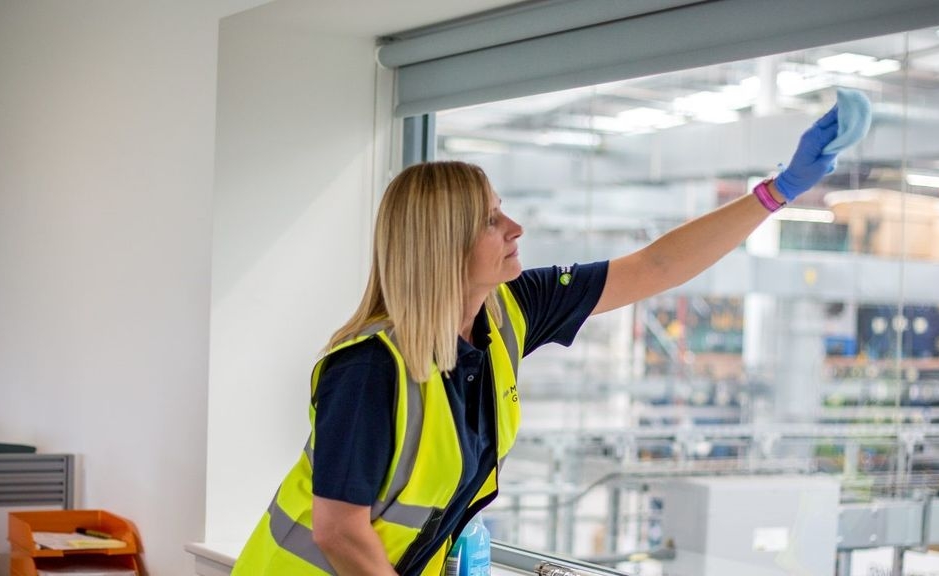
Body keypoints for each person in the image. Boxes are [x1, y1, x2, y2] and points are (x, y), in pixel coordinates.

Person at [231, 104, 842, 576]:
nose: (515, 228)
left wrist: (778, 191)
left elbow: (654, 268)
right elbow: (339, 530)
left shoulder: (506, 313)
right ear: (442, 245)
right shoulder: (370, 368)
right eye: (492, 220)